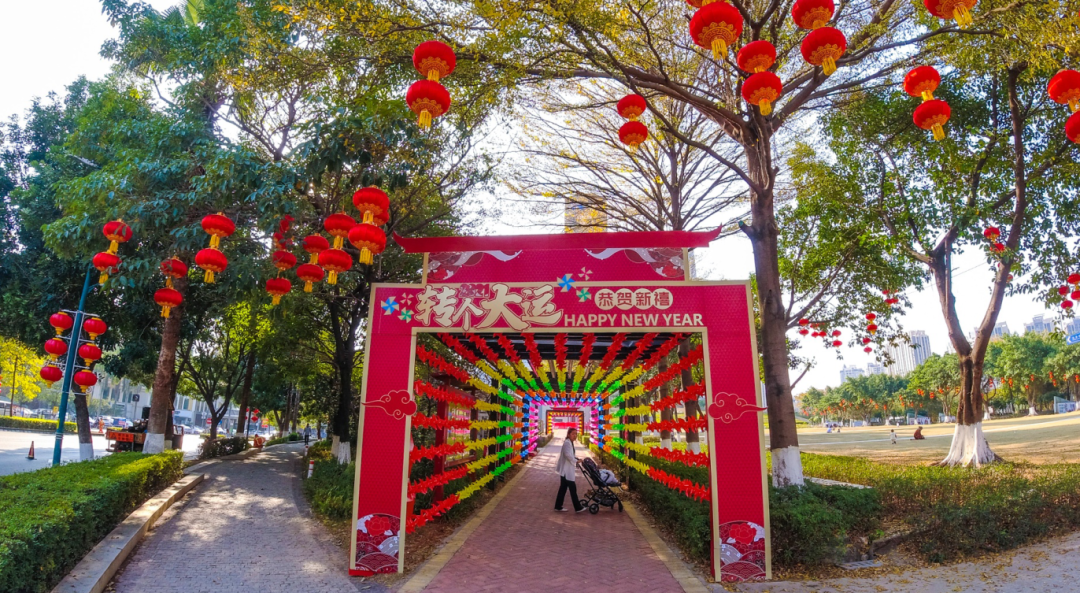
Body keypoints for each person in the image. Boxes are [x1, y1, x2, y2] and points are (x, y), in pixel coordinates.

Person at [554, 428, 585, 513]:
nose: (575, 436)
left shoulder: (570, 442)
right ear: (568, 434)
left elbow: (570, 455)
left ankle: (558, 506)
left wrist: (576, 459)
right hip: (566, 470)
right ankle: (578, 507)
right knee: (572, 489)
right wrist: (576, 461)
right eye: (573, 434)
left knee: (563, 488)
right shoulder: (567, 443)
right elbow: (567, 455)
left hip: (566, 470)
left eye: (576, 434)